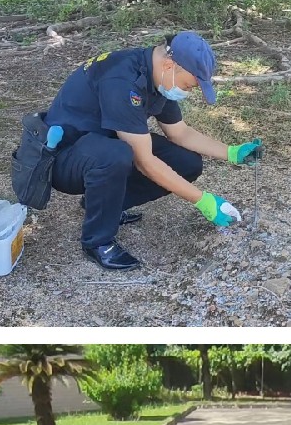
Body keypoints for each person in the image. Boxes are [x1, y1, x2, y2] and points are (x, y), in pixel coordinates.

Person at [17, 32, 263, 270]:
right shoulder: (122, 80)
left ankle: (106, 206)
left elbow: (179, 133)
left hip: (102, 143)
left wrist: (232, 152)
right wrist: (204, 201)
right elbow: (145, 161)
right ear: (169, 66)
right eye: (190, 85)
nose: (189, 91)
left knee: (186, 162)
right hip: (63, 158)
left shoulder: (158, 78)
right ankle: (97, 242)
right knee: (118, 155)